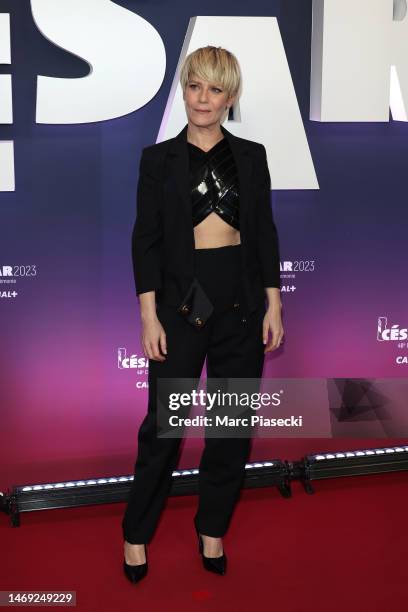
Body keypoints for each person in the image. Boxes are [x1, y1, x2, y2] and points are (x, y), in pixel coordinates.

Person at [122, 45, 284, 584]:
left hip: (240, 303)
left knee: (231, 428)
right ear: (184, 90)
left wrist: (274, 301)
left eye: (215, 89)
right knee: (164, 431)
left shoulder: (253, 156)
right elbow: (145, 241)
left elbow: (262, 234)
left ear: (230, 97)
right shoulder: (157, 160)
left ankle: (212, 528)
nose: (203, 98)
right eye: (195, 86)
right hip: (180, 306)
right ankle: (136, 534)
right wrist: (149, 316)